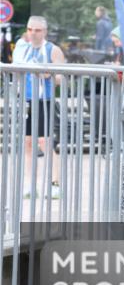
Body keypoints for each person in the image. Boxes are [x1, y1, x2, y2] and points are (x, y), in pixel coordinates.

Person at [13, 15, 66, 199]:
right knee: (28, 142)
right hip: (27, 100)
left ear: (44, 31)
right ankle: (30, 185)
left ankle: (55, 183)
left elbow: (62, 77)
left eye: (37, 30)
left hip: (46, 100)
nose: (32, 34)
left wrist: (48, 74)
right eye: (30, 29)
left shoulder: (53, 50)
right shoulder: (22, 49)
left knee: (45, 142)